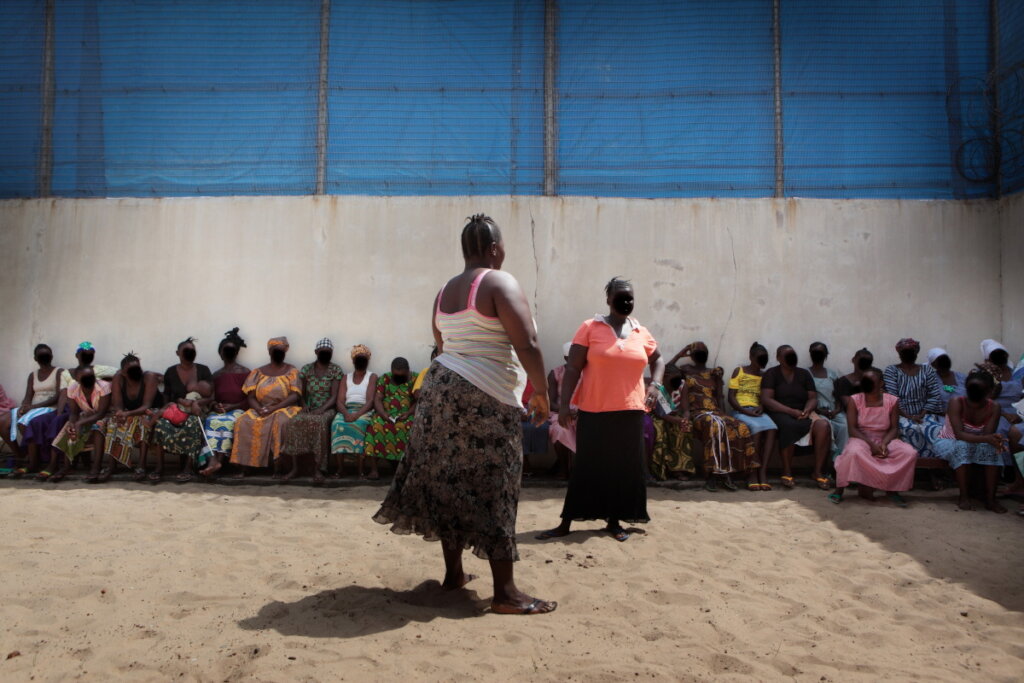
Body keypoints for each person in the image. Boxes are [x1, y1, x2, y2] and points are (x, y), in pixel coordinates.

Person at [374, 213, 555, 616]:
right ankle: (505, 593)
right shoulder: (499, 281)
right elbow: (527, 342)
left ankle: (454, 574)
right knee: (497, 486)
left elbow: (441, 344)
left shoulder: (443, 292)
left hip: (439, 395)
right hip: (484, 399)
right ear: (494, 249)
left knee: (449, 483)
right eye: (503, 246)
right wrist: (541, 392)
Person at [538, 277, 662, 542]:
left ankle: (614, 522)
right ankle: (566, 523)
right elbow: (573, 368)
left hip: (630, 411)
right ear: (608, 299)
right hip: (594, 410)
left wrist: (656, 385)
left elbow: (658, 360)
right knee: (586, 467)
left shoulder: (641, 331)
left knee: (623, 468)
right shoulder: (590, 328)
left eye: (630, 296)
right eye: (620, 296)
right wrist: (565, 407)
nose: (626, 301)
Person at [674, 341, 756, 491]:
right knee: (714, 425)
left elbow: (719, 397)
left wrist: (723, 414)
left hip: (716, 412)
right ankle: (712, 474)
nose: (700, 354)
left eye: (703, 351)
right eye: (697, 352)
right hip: (697, 412)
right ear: (691, 355)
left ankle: (730, 472)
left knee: (740, 426)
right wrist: (680, 354)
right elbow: (666, 370)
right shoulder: (685, 370)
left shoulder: (714, 372)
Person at [829, 368, 918, 506]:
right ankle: (839, 489)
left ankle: (892, 490)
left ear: (881, 383)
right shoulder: (855, 400)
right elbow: (852, 429)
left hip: (886, 438)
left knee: (909, 453)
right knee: (853, 452)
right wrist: (872, 445)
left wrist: (883, 444)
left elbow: (894, 428)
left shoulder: (892, 401)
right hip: (861, 438)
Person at [933, 370, 1009, 512]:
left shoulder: (994, 407)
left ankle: (991, 499)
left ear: (989, 391)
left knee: (994, 450)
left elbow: (988, 433)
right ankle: (964, 496)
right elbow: (959, 435)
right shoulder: (956, 402)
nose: (975, 392)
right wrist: (987, 438)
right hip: (950, 441)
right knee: (963, 446)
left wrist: (993, 440)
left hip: (978, 441)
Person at [228, 337, 302, 478]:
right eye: (275, 351)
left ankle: (278, 466)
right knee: (243, 421)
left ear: (285, 352)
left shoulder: (292, 371)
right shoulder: (257, 372)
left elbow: (294, 396)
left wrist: (274, 408)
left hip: (285, 408)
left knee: (280, 422)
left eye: (281, 351)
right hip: (260, 408)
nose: (278, 353)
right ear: (269, 352)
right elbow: (251, 397)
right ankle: (245, 466)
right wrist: (259, 409)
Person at [762, 345, 833, 489]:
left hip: (803, 411)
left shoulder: (804, 374)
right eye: (786, 355)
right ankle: (787, 471)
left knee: (824, 426)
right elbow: (767, 399)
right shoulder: (772, 373)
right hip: (780, 412)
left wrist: (807, 410)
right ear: (778, 358)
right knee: (789, 425)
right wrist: (790, 411)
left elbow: (813, 398)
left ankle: (817, 471)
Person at [145, 337, 213, 483]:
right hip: (177, 408)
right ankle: (159, 467)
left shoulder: (203, 370)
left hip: (195, 411)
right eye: (186, 351)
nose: (189, 353)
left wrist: (198, 403)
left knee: (193, 422)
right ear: (178, 353)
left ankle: (188, 468)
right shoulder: (170, 372)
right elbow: (167, 396)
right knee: (161, 424)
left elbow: (211, 396)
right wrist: (171, 407)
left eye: (192, 351)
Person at [88, 352, 160, 483]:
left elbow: (146, 406)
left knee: (143, 421)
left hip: (150, 411)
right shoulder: (118, 379)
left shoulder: (149, 377)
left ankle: (141, 465)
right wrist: (120, 413)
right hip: (130, 412)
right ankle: (111, 465)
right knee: (112, 422)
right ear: (123, 372)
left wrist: (126, 414)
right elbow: (118, 404)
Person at [280, 338, 343, 482]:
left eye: (328, 352)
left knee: (319, 424)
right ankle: (295, 468)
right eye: (323, 352)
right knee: (293, 423)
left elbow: (334, 396)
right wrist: (304, 405)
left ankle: (318, 469)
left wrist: (322, 409)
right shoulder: (307, 369)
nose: (326, 354)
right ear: (316, 352)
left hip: (328, 409)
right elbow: (300, 392)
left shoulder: (336, 370)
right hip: (309, 408)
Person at [200, 328, 250, 478]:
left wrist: (232, 406)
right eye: (225, 350)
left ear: (236, 352)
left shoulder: (245, 372)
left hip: (238, 410)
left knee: (227, 422)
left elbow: (250, 398)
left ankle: (216, 463)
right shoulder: (216, 375)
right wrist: (215, 405)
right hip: (220, 411)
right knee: (209, 421)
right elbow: (212, 397)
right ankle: (212, 460)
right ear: (220, 353)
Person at [883, 338, 945, 459]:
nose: (908, 355)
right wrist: (909, 416)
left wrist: (922, 414)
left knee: (935, 429)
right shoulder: (891, 370)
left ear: (916, 352)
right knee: (908, 429)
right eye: (904, 352)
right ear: (899, 354)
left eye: (911, 351)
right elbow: (892, 397)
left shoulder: (927, 370)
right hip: (900, 414)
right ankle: (908, 465)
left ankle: (933, 468)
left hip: (924, 413)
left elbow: (934, 394)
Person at [727, 342, 778, 490]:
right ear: (751, 357)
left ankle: (763, 470)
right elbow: (731, 397)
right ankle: (753, 472)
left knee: (772, 429)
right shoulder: (739, 371)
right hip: (741, 410)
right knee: (755, 429)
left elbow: (766, 397)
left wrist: (761, 407)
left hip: (757, 411)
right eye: (759, 358)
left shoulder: (765, 375)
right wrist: (745, 412)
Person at [7, 344, 63, 475]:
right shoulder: (33, 375)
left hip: (49, 408)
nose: (44, 357)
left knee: (26, 423)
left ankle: (34, 461)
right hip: (34, 408)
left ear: (51, 356)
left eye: (46, 354)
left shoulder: (59, 372)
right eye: (41, 355)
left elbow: (57, 396)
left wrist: (34, 407)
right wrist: (24, 407)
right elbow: (28, 396)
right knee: (10, 420)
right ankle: (27, 457)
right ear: (35, 358)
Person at [48, 367, 111, 482]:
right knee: (69, 428)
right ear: (77, 379)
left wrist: (80, 423)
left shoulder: (103, 386)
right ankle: (67, 466)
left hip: (106, 416)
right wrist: (73, 423)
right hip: (86, 416)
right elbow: (74, 413)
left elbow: (101, 413)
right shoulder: (72, 388)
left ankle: (96, 467)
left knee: (98, 426)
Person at [362, 357, 417, 479]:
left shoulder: (415, 379)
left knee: (408, 428)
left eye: (401, 376)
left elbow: (419, 401)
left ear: (408, 371)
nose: (398, 378)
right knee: (375, 425)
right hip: (385, 414)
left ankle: (404, 470)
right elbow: (378, 398)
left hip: (406, 415)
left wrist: (408, 413)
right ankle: (374, 470)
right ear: (391, 371)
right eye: (396, 375)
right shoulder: (385, 378)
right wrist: (383, 413)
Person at [330, 344, 377, 478]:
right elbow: (339, 401)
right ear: (353, 361)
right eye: (358, 359)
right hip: (347, 410)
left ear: (368, 360)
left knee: (360, 425)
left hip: (364, 411)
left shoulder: (372, 377)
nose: (361, 361)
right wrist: (346, 414)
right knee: (337, 425)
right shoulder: (346, 377)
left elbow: (370, 401)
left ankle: (360, 470)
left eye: (363, 359)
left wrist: (356, 415)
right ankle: (340, 469)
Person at [649, 372, 694, 481]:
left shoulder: (682, 385)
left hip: (674, 415)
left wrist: (685, 419)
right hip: (658, 415)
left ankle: (679, 469)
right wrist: (676, 421)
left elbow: (686, 408)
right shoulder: (657, 387)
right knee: (659, 429)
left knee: (685, 428)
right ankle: (659, 470)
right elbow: (660, 413)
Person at [808, 342, 847, 459]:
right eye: (815, 352)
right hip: (815, 411)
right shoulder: (806, 373)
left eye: (820, 353)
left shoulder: (832, 374)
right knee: (826, 427)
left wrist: (837, 410)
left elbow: (838, 395)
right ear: (810, 354)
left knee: (844, 425)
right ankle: (827, 462)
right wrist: (820, 411)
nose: (818, 355)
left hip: (833, 410)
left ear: (826, 355)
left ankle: (841, 460)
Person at [545, 342, 578, 479]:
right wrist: (567, 411)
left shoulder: (588, 374)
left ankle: (580, 469)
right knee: (560, 429)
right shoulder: (555, 373)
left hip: (584, 412)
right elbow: (550, 403)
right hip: (560, 412)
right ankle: (564, 469)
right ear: (566, 358)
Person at [520, 378, 550, 474]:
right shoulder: (514, 376)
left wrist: (529, 413)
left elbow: (541, 402)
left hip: (533, 411)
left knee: (538, 426)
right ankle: (524, 463)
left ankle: (525, 462)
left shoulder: (535, 380)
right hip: (516, 411)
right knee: (520, 427)